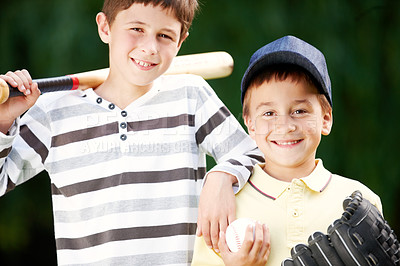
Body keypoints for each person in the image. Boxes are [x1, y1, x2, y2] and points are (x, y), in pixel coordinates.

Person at [0, 1, 263, 265]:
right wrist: (4, 121)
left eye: (164, 35)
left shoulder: (190, 95)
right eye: (137, 28)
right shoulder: (53, 111)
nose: (150, 48)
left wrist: (221, 175)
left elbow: (254, 156)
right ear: (105, 27)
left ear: (181, 41)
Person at [191, 35, 383, 266]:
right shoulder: (224, 205)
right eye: (269, 113)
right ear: (250, 124)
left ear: (326, 118)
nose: (285, 126)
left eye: (300, 111)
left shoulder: (360, 201)